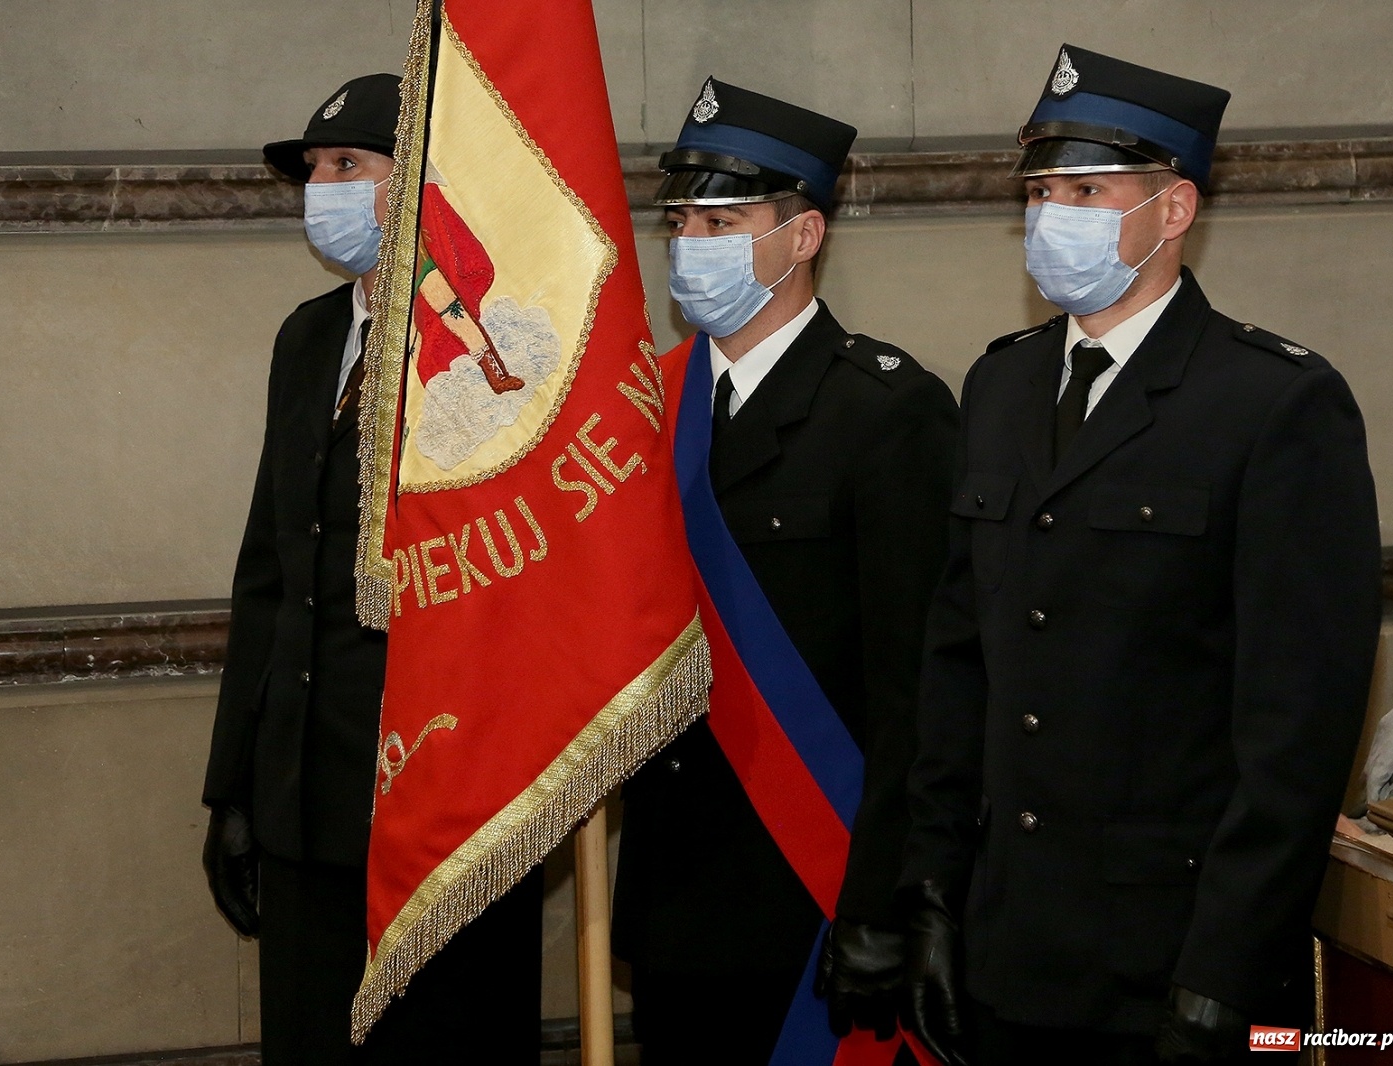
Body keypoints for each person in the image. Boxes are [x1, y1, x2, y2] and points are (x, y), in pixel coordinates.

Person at [826, 45, 1383, 1065]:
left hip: (1174, 954)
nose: (1050, 216)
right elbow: (957, 674)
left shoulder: (1271, 403)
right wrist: (934, 899)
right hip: (1009, 946)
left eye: (1086, 189)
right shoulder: (1002, 387)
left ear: (1171, 211)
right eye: (1039, 190)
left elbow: (1293, 735)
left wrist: (1224, 976)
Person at [611, 77, 958, 1065]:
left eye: (722, 218)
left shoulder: (887, 413)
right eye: (680, 218)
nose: (691, 241)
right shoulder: (650, 406)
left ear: (802, 235)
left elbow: (917, 691)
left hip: (813, 886)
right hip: (674, 896)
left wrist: (887, 898)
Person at [199, 74, 542, 1065]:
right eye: (313, 171)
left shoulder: (487, 349)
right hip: (302, 800)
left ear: (423, 184)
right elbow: (270, 572)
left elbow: (510, 594)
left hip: (432, 806)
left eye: (348, 165)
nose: (323, 189)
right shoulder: (308, 337)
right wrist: (235, 789)